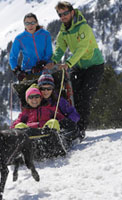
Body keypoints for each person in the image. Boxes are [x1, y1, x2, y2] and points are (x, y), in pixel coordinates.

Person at [45, 1, 104, 139]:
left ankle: (81, 130)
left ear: (72, 12)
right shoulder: (63, 31)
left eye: (65, 13)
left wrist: (68, 63)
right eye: (60, 15)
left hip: (94, 66)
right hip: (78, 66)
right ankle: (73, 127)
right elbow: (60, 48)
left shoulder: (84, 28)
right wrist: (54, 61)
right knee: (73, 96)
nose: (63, 16)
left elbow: (82, 49)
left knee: (85, 96)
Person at [9, 13, 53, 82]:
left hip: (43, 70)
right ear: (24, 24)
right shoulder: (20, 38)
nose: (30, 25)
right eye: (27, 23)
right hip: (27, 71)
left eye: (32, 22)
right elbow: (12, 57)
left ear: (37, 23)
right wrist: (17, 71)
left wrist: (42, 63)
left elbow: (49, 53)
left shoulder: (45, 34)